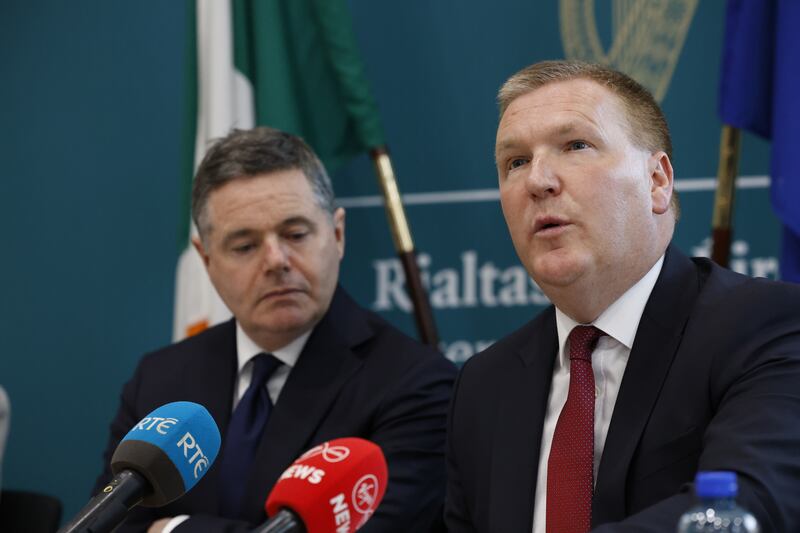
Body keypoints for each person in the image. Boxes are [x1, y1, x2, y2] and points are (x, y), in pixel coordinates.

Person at [444, 60, 800, 532]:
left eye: (576, 146)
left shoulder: (765, 325)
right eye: (516, 162)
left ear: (657, 181)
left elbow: (744, 511)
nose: (538, 180)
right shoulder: (484, 385)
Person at [95, 127, 456, 532]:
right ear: (206, 258)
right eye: (245, 246)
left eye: (295, 234)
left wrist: (171, 530)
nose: (276, 260)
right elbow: (111, 524)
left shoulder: (418, 384)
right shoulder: (160, 380)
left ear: (337, 235)